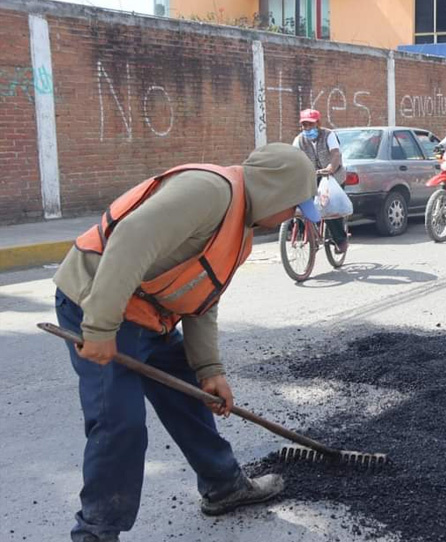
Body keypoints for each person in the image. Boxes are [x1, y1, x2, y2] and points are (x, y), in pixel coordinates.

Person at [52, 143, 317, 541]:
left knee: (192, 394)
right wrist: (102, 328)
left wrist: (210, 370)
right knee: (119, 424)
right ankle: (95, 533)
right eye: (295, 205)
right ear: (275, 190)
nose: (294, 215)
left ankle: (223, 486)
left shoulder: (239, 228)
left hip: (146, 315)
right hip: (97, 301)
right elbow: (130, 239)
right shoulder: (208, 192)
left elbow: (202, 298)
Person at [293, 109, 349, 253]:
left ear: (318, 123)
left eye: (310, 125)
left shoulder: (329, 135)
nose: (307, 128)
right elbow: (293, 157)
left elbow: (335, 154)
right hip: (312, 177)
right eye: (304, 125)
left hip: (333, 177)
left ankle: (340, 240)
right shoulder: (299, 140)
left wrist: (330, 168)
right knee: (302, 203)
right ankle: (308, 235)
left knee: (329, 207)